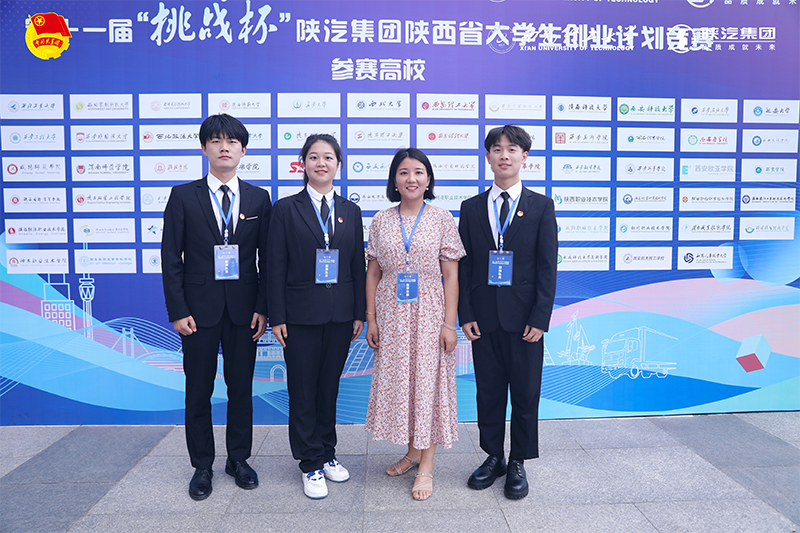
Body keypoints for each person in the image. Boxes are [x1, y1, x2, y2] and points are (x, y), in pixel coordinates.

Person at [161, 113, 271, 500]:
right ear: (204, 147)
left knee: (241, 388)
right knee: (198, 391)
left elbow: (268, 259)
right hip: (197, 313)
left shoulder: (258, 198)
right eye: (216, 141)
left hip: (244, 312)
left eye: (232, 142)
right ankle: (202, 465)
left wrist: (263, 307)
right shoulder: (183, 196)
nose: (225, 148)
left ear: (243, 150)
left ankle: (238, 459)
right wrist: (178, 310)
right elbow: (171, 258)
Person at [458, 124, 558, 500]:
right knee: (488, 392)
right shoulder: (471, 208)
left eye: (512, 149)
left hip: (525, 321)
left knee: (526, 394)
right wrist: (466, 313)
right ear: (488, 157)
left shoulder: (541, 206)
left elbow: (547, 267)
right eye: (497, 149)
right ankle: (493, 456)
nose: (504, 155)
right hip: (484, 320)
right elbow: (465, 266)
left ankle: (518, 460)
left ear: (524, 157)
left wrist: (540, 318)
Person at [267, 134, 366, 500]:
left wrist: (359, 313)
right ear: (303, 163)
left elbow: (356, 264)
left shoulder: (350, 211)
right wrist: (277, 315)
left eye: (327, 157)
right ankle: (309, 462)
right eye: (313, 157)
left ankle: (327, 452)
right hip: (299, 317)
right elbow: (274, 266)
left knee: (328, 389)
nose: (321, 163)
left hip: (340, 316)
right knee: (303, 390)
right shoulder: (285, 209)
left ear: (338, 164)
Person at [365, 147, 465, 501]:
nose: (411, 179)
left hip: (430, 314)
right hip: (391, 315)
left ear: (428, 179)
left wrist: (449, 324)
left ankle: (426, 466)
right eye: (404, 172)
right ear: (395, 180)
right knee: (405, 385)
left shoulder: (441, 218)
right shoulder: (381, 220)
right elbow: (373, 272)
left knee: (428, 386)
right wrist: (371, 319)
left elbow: (451, 275)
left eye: (419, 172)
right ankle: (412, 453)